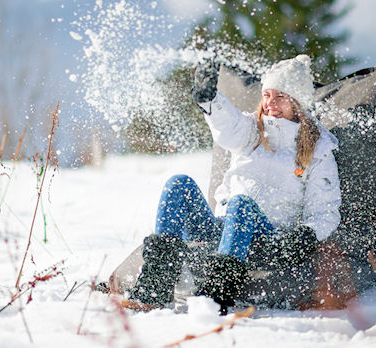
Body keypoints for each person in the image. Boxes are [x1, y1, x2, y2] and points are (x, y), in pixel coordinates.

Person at [129, 54, 341, 313]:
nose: (270, 103)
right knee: (178, 184)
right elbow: (228, 125)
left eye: (280, 96)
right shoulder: (252, 129)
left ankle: (216, 295)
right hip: (223, 228)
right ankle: (156, 284)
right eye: (267, 95)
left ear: (297, 101)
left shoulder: (319, 150)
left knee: (242, 204)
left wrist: (306, 235)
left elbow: (325, 211)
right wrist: (210, 100)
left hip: (267, 239)